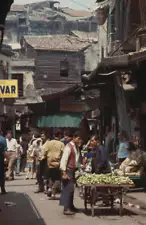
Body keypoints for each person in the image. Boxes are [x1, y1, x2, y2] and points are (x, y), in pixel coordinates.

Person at [60, 131, 81, 215]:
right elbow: (64, 160)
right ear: (74, 138)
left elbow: (76, 159)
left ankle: (71, 206)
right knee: (67, 189)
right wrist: (64, 173)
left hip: (73, 170)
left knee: (71, 190)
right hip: (68, 170)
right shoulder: (68, 147)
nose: (79, 140)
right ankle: (66, 208)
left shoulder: (76, 147)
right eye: (78, 138)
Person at [42, 130, 64, 199]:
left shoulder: (48, 143)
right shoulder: (61, 144)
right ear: (60, 136)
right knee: (58, 179)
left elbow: (44, 153)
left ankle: (50, 189)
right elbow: (63, 154)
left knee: (51, 178)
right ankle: (53, 191)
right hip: (57, 164)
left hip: (49, 163)